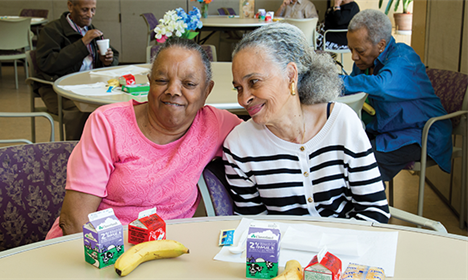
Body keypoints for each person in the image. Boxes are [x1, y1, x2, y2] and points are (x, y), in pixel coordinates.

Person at [45, 38, 242, 238]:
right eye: (162, 80)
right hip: (94, 251)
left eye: (189, 84)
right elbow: (75, 221)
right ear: (149, 82)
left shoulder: (213, 125)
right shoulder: (108, 124)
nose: (173, 90)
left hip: (160, 255)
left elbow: (266, 133)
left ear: (206, 91)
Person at [223, 23, 390, 223]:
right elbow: (252, 226)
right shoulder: (239, 145)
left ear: (291, 76)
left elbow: (375, 212)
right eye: (238, 88)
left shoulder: (342, 123)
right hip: (282, 251)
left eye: (254, 82)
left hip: (347, 247)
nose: (243, 100)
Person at [342, 9, 452, 182]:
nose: (354, 57)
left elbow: (381, 85)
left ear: (381, 44)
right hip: (389, 128)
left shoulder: (403, 57)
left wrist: (337, 81)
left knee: (366, 162)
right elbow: (354, 90)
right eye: (351, 50)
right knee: (343, 150)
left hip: (422, 132)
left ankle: (372, 207)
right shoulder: (365, 61)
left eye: (360, 50)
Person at [35, 0, 119, 140]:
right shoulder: (52, 30)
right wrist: (82, 43)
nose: (90, 15)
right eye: (84, 10)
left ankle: (105, 153)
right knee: (81, 110)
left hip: (89, 86)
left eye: (93, 10)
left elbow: (113, 55)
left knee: (115, 106)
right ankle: (74, 153)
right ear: (70, 6)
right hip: (57, 88)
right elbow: (48, 64)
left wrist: (108, 60)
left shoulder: (91, 29)